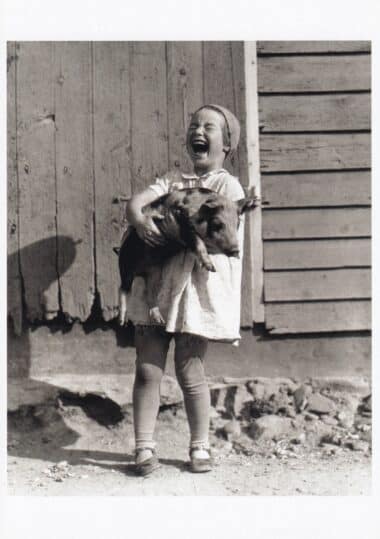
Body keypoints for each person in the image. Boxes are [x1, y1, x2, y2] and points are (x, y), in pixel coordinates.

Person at [120, 104, 248, 476]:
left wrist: (177, 230)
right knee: (147, 369)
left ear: (226, 145)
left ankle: (200, 446)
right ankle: (143, 447)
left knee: (190, 370)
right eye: (194, 125)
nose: (200, 130)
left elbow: (222, 231)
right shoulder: (171, 181)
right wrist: (140, 221)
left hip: (194, 289)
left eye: (210, 126)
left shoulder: (228, 186)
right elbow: (137, 203)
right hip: (155, 285)